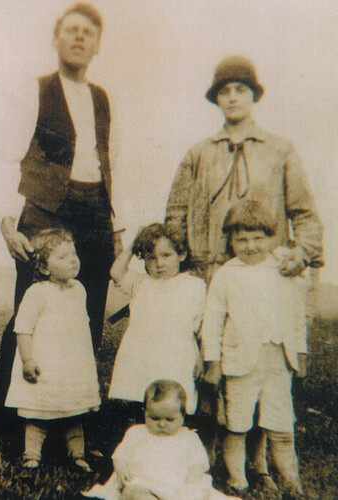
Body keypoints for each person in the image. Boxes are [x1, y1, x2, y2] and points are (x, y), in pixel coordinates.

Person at [164, 54, 324, 472]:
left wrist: (300, 254)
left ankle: (257, 458)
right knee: (210, 364)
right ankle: (204, 453)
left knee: (261, 363)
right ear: (216, 99)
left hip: (262, 277)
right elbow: (176, 213)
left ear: (254, 95)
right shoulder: (198, 153)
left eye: (241, 90)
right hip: (208, 272)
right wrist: (180, 265)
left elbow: (304, 213)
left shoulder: (280, 150)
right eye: (225, 91)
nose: (233, 98)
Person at [0, 2, 126, 462]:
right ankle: (5, 433)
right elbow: (5, 156)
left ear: (98, 44)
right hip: (45, 212)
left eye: (88, 32)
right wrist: (7, 221)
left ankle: (70, 428)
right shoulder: (36, 90)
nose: (79, 38)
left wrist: (116, 229)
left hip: (96, 215)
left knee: (84, 322)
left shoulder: (103, 98)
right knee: (30, 319)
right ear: (56, 38)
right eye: (71, 30)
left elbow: (114, 163)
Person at [200, 200, 308, 498]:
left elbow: (296, 315)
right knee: (237, 424)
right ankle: (239, 480)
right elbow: (212, 320)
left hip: (277, 359)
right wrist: (213, 361)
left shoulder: (281, 269)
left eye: (258, 238)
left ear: (271, 237)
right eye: (241, 239)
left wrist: (299, 353)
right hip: (239, 361)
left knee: (281, 424)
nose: (250, 246)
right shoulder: (226, 274)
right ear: (231, 240)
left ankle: (290, 481)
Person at [4, 228, 100, 471]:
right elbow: (23, 328)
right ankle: (32, 455)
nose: (72, 260)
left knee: (74, 411)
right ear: (45, 268)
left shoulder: (79, 290)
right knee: (38, 411)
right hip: (45, 363)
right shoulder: (37, 292)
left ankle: (77, 455)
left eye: (74, 253)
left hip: (72, 365)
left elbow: (83, 331)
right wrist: (27, 360)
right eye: (62, 257)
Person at [108, 223, 205, 434]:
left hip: (176, 354)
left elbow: (200, 327)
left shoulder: (194, 286)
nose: (159, 264)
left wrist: (201, 357)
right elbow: (116, 272)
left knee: (173, 398)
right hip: (141, 353)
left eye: (166, 255)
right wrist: (135, 242)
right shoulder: (141, 283)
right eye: (152, 258)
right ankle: (138, 440)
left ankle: (176, 440)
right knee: (139, 398)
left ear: (181, 254)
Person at [82, 380, 239, 500]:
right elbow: (120, 456)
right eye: (154, 418)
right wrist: (122, 470)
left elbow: (197, 463)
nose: (162, 424)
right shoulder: (136, 433)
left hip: (178, 485)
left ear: (183, 416)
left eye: (169, 419)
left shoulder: (189, 437)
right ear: (145, 412)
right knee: (133, 493)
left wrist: (191, 481)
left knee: (199, 494)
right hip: (142, 481)